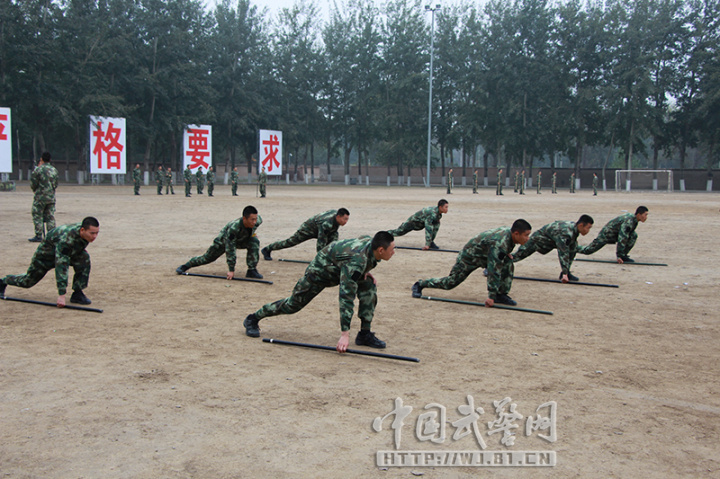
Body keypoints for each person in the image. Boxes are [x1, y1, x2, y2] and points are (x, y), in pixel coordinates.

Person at [244, 231, 395, 352]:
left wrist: (364, 271)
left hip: (339, 269)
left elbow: (359, 244)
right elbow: (345, 297)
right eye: (392, 249)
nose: (394, 252)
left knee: (368, 285)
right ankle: (253, 318)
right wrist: (344, 334)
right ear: (381, 250)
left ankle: (364, 334)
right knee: (293, 305)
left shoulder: (370, 244)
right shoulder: (356, 262)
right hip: (318, 273)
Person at [411, 219, 532, 307]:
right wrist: (490, 296)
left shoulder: (509, 235)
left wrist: (505, 254)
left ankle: (501, 295)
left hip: (484, 254)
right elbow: (493, 270)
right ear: (516, 233)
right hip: (469, 257)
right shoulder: (500, 243)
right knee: (450, 283)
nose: (528, 238)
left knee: (507, 262)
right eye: (526, 235)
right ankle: (420, 284)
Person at [1, 217, 100, 307]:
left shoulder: (83, 230)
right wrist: (61, 294)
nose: (95, 236)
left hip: (66, 252)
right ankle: (4, 280)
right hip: (45, 257)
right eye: (92, 233)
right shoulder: (66, 240)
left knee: (84, 258)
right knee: (27, 281)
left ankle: (77, 293)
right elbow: (61, 265)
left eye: (97, 233)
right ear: (82, 230)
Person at [176, 206, 264, 279]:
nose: (254, 222)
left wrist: (253, 233)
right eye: (252, 219)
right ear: (244, 218)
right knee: (207, 258)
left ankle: (251, 270)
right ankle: (186, 265)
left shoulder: (257, 220)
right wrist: (231, 270)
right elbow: (230, 249)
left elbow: (255, 225)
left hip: (240, 239)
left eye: (255, 219)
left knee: (254, 241)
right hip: (222, 242)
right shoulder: (234, 228)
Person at [513, 215, 594, 282]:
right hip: (537, 240)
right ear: (580, 225)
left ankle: (566, 272)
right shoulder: (566, 233)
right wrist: (564, 274)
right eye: (588, 227)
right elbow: (562, 251)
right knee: (518, 256)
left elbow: (570, 248)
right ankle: (502, 266)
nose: (588, 230)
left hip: (549, 241)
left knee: (573, 249)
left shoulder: (574, 229)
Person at [261, 208, 350, 260]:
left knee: (334, 243)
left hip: (322, 228)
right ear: (338, 216)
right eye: (345, 219)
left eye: (347, 219)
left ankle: (332, 258)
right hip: (308, 229)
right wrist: (321, 261)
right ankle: (267, 249)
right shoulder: (327, 224)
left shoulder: (336, 216)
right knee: (290, 242)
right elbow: (320, 244)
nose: (346, 222)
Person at [577, 207, 649, 263]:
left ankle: (624, 255)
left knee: (633, 235)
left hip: (614, 234)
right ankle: (574, 247)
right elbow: (622, 237)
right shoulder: (629, 221)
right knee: (588, 250)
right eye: (645, 215)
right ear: (639, 215)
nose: (646, 217)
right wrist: (619, 256)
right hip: (606, 235)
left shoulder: (634, 220)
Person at [29, 152, 59, 242]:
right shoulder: (54, 170)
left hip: (40, 197)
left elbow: (33, 183)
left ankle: (38, 235)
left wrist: (35, 190)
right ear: (50, 160)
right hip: (51, 197)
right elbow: (56, 184)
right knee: (50, 216)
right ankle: (52, 235)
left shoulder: (38, 170)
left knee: (38, 215)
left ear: (41, 159)